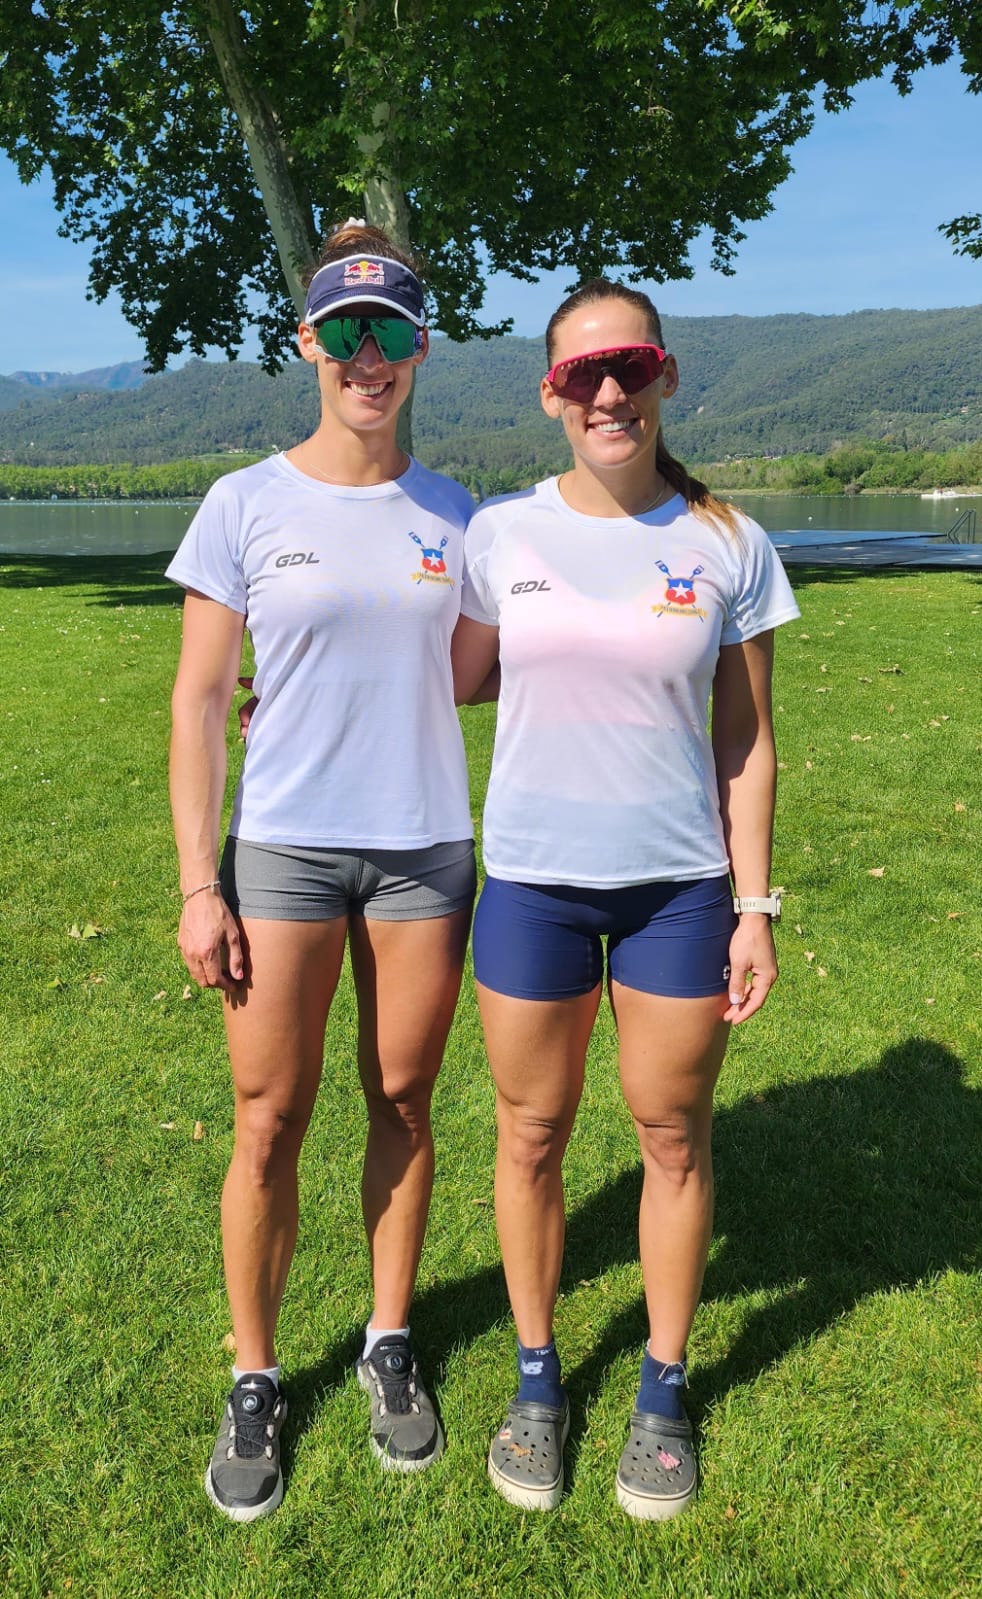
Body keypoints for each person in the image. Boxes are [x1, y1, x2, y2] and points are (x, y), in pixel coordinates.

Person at [451, 278, 800, 1520]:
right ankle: (537, 1379)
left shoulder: (729, 542)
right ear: (551, 394)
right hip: (532, 884)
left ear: (666, 377)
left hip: (679, 894)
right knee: (530, 1134)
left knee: (672, 1134)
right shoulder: (500, 534)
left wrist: (755, 904)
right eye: (581, 374)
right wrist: (300, 692)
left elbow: (746, 739)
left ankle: (662, 1387)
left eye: (631, 367)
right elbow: (453, 680)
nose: (608, 391)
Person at [167, 221, 477, 1521]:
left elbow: (480, 667)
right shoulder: (244, 503)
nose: (366, 356)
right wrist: (200, 882)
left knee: (402, 1096)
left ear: (418, 348)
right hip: (283, 849)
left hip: (422, 849)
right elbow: (198, 701)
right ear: (307, 343)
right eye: (343, 331)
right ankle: (255, 1372)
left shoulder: (460, 512)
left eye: (388, 331)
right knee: (267, 1116)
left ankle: (387, 1341)